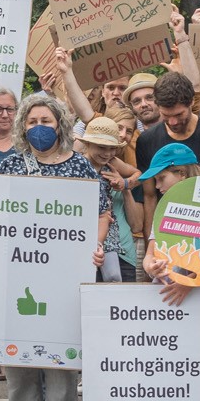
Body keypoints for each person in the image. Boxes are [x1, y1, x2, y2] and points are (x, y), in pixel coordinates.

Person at [0, 91, 96, 401]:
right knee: (18, 361)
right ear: (22, 126)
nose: (39, 127)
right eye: (32, 122)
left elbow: (100, 214)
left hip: (64, 278)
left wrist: (94, 249)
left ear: (60, 125)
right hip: (20, 274)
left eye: (46, 121)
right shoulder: (10, 167)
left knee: (60, 363)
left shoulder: (81, 167)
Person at [78, 115, 144, 280]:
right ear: (87, 144)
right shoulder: (76, 165)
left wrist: (124, 184)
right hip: (86, 241)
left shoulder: (113, 163)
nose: (107, 153)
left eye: (111, 148)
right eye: (101, 147)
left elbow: (139, 175)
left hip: (118, 245)